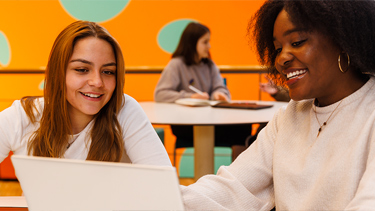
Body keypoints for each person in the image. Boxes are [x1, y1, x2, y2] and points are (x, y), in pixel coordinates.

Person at [181, 1, 375, 210]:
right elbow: (233, 188)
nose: (281, 58)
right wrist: (163, 195)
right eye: (278, 48)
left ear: (344, 39)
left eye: (298, 41)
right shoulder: (287, 118)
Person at [0, 21, 171, 166]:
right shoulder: (25, 116)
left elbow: (163, 187)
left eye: (108, 72)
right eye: (82, 69)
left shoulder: (125, 110)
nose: (97, 82)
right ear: (58, 72)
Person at [154, 22, 251, 160]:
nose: (209, 46)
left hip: (211, 122)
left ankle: (239, 176)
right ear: (192, 43)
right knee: (239, 130)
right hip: (186, 124)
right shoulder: (176, 64)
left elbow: (221, 87)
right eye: (205, 42)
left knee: (243, 128)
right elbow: (160, 94)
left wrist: (219, 93)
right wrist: (191, 97)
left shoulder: (210, 65)